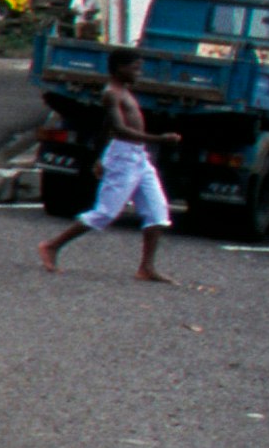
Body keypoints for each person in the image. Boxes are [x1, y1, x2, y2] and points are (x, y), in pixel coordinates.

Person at [39, 49, 174, 282]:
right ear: (119, 67)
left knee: (157, 212)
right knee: (106, 212)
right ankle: (52, 245)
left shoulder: (125, 92)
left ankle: (146, 268)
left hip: (138, 157)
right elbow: (119, 129)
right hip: (124, 157)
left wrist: (100, 156)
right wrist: (160, 139)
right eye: (135, 68)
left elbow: (105, 128)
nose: (139, 73)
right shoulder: (111, 94)